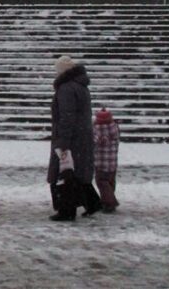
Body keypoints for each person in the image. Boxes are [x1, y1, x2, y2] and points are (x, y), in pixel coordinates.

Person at [47, 56, 102, 221]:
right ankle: (92, 203)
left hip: (71, 137)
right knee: (78, 173)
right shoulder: (81, 85)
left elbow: (67, 116)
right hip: (82, 135)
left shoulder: (66, 88)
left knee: (65, 174)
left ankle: (66, 210)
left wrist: (63, 141)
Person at [93, 106, 120, 213]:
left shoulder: (97, 130)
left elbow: (94, 141)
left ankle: (109, 202)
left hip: (101, 162)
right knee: (110, 182)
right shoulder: (115, 128)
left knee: (101, 182)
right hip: (112, 162)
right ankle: (108, 200)